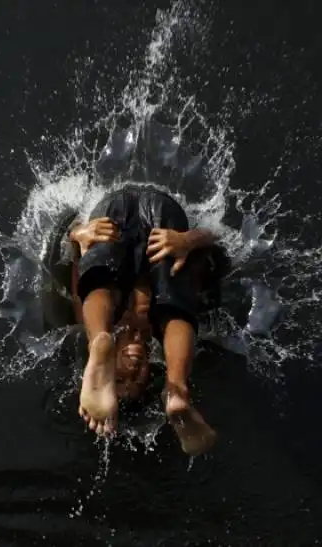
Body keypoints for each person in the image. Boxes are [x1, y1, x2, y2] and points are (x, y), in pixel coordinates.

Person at [66, 184, 228, 456]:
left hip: (113, 215)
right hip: (163, 219)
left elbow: (77, 270)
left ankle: (99, 342)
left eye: (118, 380)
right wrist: (189, 241)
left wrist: (77, 234)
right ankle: (176, 389)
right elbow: (217, 238)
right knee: (174, 308)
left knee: (99, 287)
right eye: (137, 382)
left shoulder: (95, 316)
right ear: (151, 374)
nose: (132, 371)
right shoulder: (160, 335)